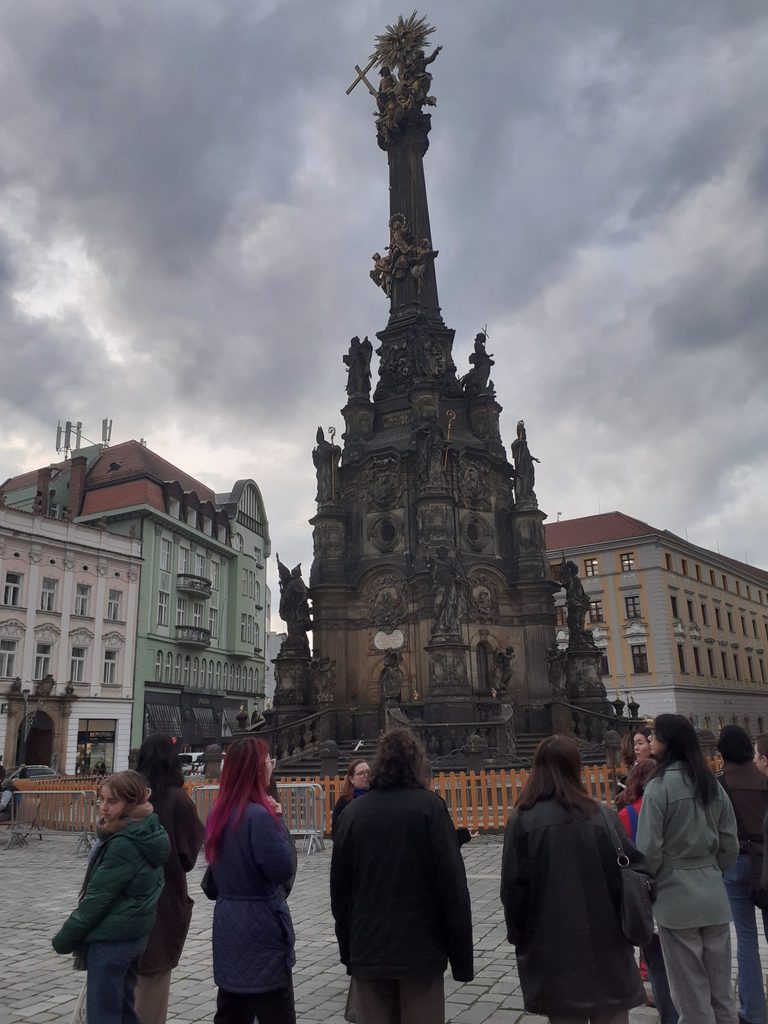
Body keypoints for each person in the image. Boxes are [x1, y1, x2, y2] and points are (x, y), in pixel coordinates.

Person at [331, 728, 473, 1024]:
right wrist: (461, 960)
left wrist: (349, 953)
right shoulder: (431, 809)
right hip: (422, 953)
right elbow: (453, 888)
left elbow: (339, 893)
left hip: (368, 951)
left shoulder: (353, 814)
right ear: (415, 764)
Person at [501, 734, 646, 1024]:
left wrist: (520, 936)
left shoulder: (523, 819)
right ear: (575, 767)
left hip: (554, 947)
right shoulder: (603, 815)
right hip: (609, 944)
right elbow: (636, 870)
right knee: (613, 1014)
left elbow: (513, 890)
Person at [636, 714, 739, 1024]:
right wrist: (711, 870)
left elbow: (648, 851)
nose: (650, 740)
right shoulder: (711, 783)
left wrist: (654, 882)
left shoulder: (658, 786)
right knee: (721, 993)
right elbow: (730, 842)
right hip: (713, 896)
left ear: (669, 742)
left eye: (655, 736)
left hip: (675, 900)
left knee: (690, 995)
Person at [51, 770, 170, 1024]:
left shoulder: (124, 842)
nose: (103, 807)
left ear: (131, 803)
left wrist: (65, 938)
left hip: (113, 938)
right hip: (133, 934)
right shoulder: (146, 829)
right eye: (101, 799)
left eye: (112, 802)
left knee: (103, 1013)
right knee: (124, 1010)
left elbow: (97, 899)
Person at [205, 736, 296, 1024]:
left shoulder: (218, 811)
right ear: (258, 770)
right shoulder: (259, 817)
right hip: (261, 927)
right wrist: (278, 821)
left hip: (229, 923)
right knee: (275, 1010)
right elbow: (283, 869)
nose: (272, 765)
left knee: (232, 1007)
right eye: (269, 760)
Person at [134, 735, 205, 1024]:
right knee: (152, 979)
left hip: (123, 900)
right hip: (162, 901)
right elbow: (188, 856)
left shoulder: (130, 796)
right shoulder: (178, 800)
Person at [618, 760, 678, 1024]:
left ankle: (668, 1012)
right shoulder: (673, 809)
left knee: (656, 961)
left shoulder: (626, 814)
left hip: (643, 895)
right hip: (675, 891)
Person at [716, 725, 768, 1024]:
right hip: (766, 860)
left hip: (735, 861)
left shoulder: (720, 783)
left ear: (722, 752)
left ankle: (754, 1012)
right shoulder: (763, 779)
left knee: (746, 938)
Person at [332, 759, 370, 838]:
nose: (366, 775)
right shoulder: (344, 801)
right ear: (351, 779)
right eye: (361, 773)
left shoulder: (376, 796)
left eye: (368, 772)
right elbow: (336, 829)